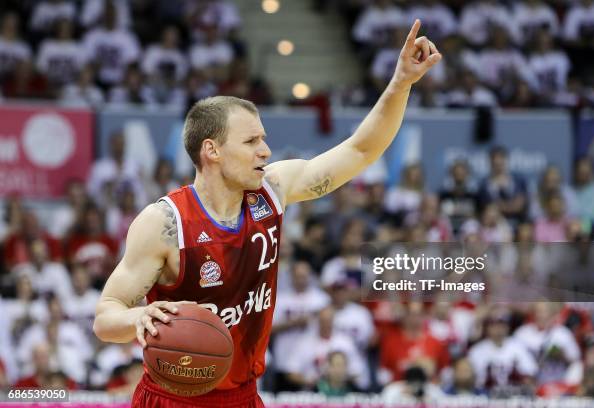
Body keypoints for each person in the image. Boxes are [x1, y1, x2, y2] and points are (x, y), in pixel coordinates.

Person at [93, 19, 442, 408]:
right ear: (212, 151)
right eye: (252, 140)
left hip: (243, 396)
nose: (266, 150)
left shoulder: (272, 190)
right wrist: (137, 320)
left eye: (264, 138)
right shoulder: (165, 223)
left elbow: (360, 151)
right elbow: (106, 317)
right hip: (173, 398)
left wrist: (401, 83)